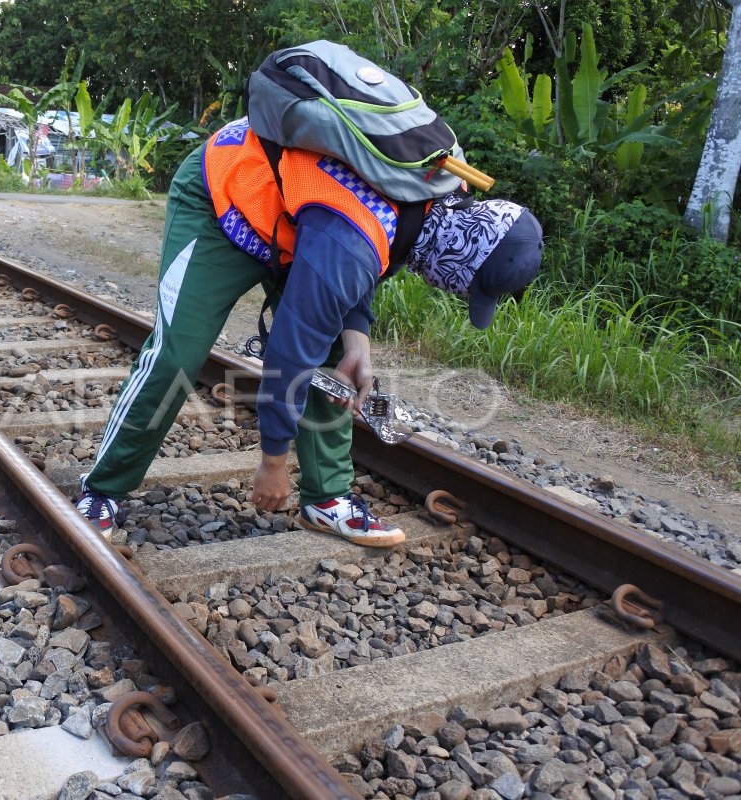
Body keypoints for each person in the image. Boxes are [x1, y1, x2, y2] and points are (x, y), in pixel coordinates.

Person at [73, 115, 543, 548]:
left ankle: (325, 499)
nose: (455, 292)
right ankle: (102, 488)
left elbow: (374, 246)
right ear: (461, 260)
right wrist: (272, 462)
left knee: (336, 353)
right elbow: (290, 351)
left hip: (300, 221)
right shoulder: (399, 228)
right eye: (466, 287)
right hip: (227, 194)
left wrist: (358, 339)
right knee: (178, 353)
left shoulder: (442, 203)